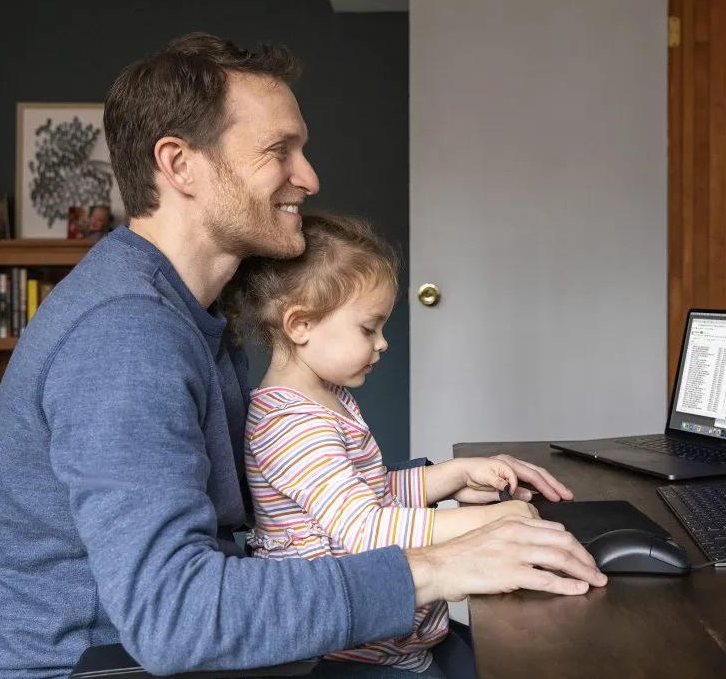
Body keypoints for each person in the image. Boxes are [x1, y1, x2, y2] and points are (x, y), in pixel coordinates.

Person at [0, 32, 606, 679]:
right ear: (180, 165)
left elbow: (284, 483)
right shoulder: (125, 336)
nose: (309, 176)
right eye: (279, 150)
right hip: (89, 668)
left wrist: (431, 485)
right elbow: (173, 618)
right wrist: (439, 564)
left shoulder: (190, 311)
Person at [226, 212, 538, 676]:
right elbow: (366, 529)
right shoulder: (291, 424)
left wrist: (451, 476)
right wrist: (489, 522)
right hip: (355, 652)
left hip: (395, 637)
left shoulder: (327, 398)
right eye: (369, 328)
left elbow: (367, 492)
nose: (383, 343)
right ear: (300, 324)